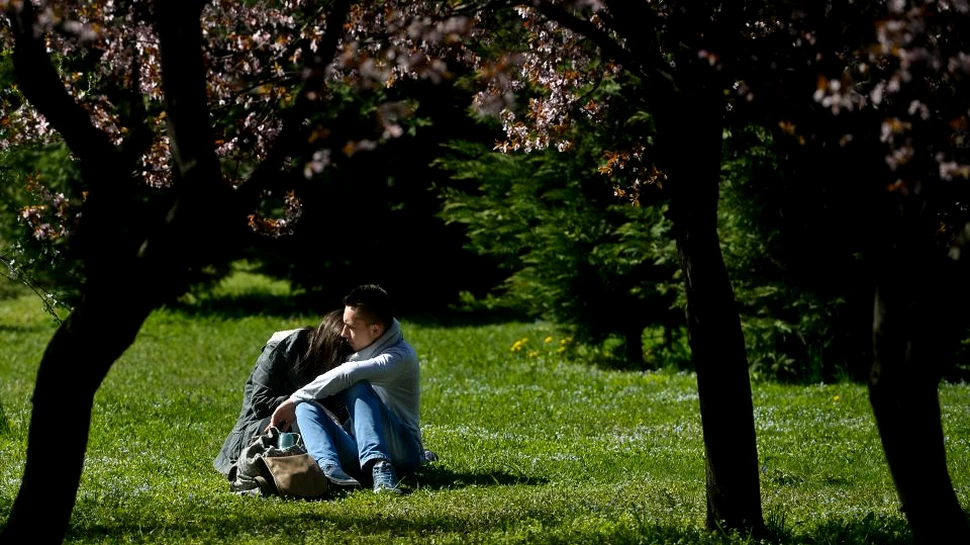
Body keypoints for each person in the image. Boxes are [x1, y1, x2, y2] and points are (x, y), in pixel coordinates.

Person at [268, 284, 423, 494]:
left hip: (404, 453)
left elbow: (350, 373)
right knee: (305, 406)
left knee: (356, 385)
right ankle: (329, 471)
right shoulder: (364, 346)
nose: (342, 333)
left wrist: (292, 399)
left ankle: (381, 468)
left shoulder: (399, 357)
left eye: (350, 327)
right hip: (358, 452)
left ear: (375, 329)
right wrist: (298, 403)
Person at [213, 309, 351, 477]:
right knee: (304, 418)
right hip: (265, 427)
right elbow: (261, 402)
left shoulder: (353, 362)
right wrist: (299, 404)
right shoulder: (283, 348)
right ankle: (321, 469)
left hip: (323, 427)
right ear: (329, 345)